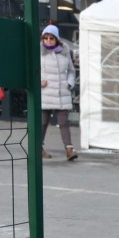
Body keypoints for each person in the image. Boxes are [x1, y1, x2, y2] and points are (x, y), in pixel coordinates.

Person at [39, 24, 78, 161]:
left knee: (64, 122)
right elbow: (31, 70)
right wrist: (39, 81)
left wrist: (69, 83)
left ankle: (69, 149)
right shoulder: (39, 52)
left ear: (57, 39)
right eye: (46, 38)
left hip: (62, 92)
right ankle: (38, 148)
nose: (48, 40)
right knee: (43, 122)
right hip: (45, 92)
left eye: (51, 38)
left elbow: (71, 71)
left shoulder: (65, 52)